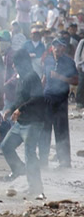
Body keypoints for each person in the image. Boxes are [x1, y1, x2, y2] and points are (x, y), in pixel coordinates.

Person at [0, 49, 45, 196]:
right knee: (6, 146)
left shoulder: (32, 77)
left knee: (30, 154)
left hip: (33, 122)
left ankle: (36, 188)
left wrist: (21, 110)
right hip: (20, 122)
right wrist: (11, 109)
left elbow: (37, 98)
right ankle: (18, 169)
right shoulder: (22, 77)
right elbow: (20, 99)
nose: (13, 66)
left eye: (15, 63)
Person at [40, 39, 77, 168]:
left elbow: (76, 81)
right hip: (47, 99)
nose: (57, 48)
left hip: (61, 100)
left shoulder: (69, 62)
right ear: (52, 47)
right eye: (55, 45)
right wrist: (39, 93)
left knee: (61, 131)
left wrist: (60, 77)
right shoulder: (48, 60)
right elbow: (44, 78)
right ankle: (43, 161)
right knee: (45, 131)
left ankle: (64, 161)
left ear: (64, 48)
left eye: (60, 46)